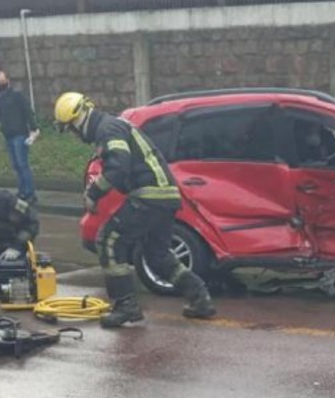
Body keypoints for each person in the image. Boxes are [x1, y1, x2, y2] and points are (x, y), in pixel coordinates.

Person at [53, 92, 216, 328]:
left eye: (70, 128)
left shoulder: (107, 130)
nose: (74, 135)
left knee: (108, 240)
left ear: (78, 119)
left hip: (149, 195)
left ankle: (126, 305)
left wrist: (93, 193)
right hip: (165, 195)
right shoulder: (112, 126)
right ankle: (199, 297)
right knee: (156, 255)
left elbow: (119, 166)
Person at [0, 71, 39, 204]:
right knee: (16, 165)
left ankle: (30, 193)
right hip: (9, 135)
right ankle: (22, 191)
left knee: (22, 164)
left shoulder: (17, 96)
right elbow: (1, 116)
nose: (0, 84)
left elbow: (27, 112)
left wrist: (33, 128)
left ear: (8, 80)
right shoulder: (1, 99)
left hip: (20, 134)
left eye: (2, 80)